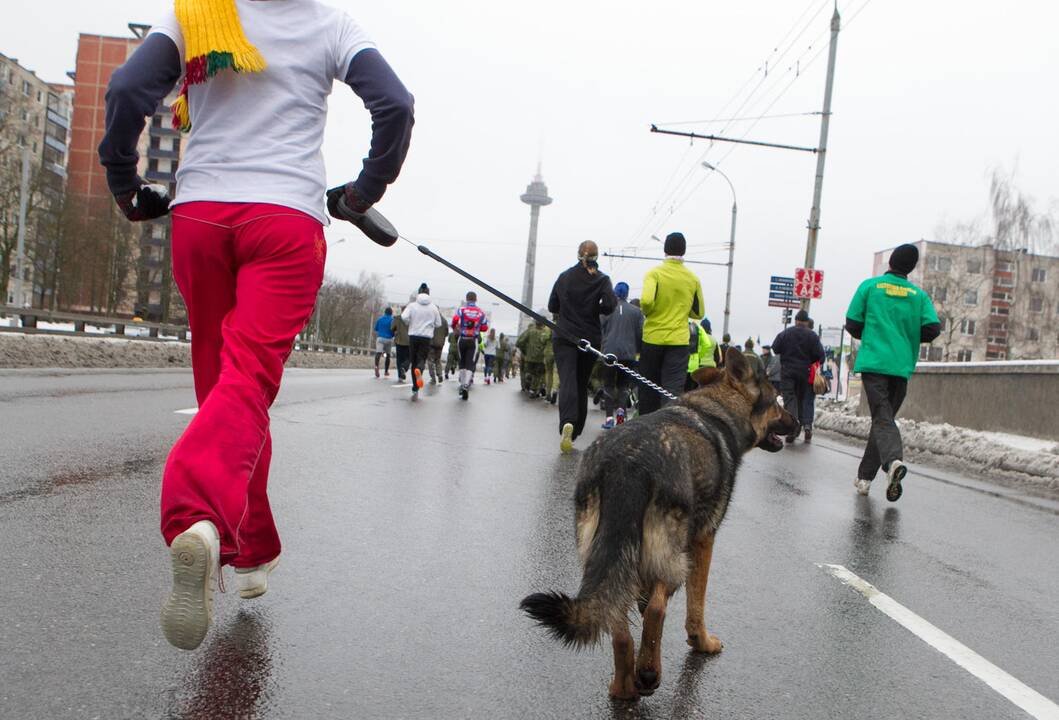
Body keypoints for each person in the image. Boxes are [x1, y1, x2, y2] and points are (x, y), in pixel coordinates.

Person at [99, 0, 413, 650]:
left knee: (227, 396)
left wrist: (125, 183)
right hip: (286, 222)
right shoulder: (332, 26)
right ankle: (196, 517)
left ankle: (250, 550)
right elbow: (394, 105)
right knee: (246, 385)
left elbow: (129, 88)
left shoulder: (198, 12)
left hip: (202, 216)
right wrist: (362, 193)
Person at [846, 244, 940, 501]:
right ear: (910, 268)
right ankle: (865, 478)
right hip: (901, 366)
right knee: (883, 419)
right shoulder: (918, 295)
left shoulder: (870, 287)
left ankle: (893, 462)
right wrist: (906, 335)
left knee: (882, 419)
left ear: (891, 262)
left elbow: (852, 323)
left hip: (875, 362)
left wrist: (874, 334)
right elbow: (933, 329)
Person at [548, 241, 617, 453]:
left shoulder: (565, 277)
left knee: (567, 379)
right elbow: (610, 306)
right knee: (580, 382)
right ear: (597, 257)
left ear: (578, 255)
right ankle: (576, 429)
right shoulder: (602, 279)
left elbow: (553, 306)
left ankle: (567, 422)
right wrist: (594, 305)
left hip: (565, 335)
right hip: (589, 339)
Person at [638, 232, 706, 415]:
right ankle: (668, 429)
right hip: (678, 342)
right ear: (684, 251)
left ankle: (646, 428)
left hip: (653, 338)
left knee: (648, 386)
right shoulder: (692, 279)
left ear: (665, 249)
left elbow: (645, 301)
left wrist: (650, 312)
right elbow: (699, 312)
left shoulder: (654, 274)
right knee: (672, 390)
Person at [772, 310, 825, 443]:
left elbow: (775, 348)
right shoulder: (812, 336)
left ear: (796, 320)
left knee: (790, 398)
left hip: (788, 373)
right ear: (806, 322)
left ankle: (792, 428)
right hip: (806, 373)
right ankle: (807, 426)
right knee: (807, 398)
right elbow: (821, 356)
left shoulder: (785, 333)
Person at [599, 281, 643, 428]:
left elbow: (600, 329)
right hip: (629, 353)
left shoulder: (606, 310)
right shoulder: (636, 312)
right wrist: (636, 349)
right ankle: (621, 413)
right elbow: (640, 334)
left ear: (614, 293)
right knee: (623, 385)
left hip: (609, 352)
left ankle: (609, 419)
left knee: (609, 385)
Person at [402, 283, 443, 396]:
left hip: (413, 336)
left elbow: (404, 317)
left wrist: (409, 322)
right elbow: (438, 323)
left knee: (413, 360)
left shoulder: (412, 305)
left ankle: (415, 387)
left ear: (419, 292)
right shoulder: (433, 307)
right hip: (426, 338)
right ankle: (420, 369)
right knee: (422, 359)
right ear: (429, 293)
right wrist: (430, 325)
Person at [452, 291, 489, 400]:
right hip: (473, 340)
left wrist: (455, 327)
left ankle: (462, 384)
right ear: (476, 299)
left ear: (467, 299)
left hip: (462, 339)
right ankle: (466, 386)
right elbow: (485, 327)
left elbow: (454, 320)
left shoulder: (462, 309)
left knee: (462, 362)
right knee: (470, 363)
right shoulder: (480, 312)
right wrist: (477, 329)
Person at [685, 318, 716, 391]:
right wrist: (700, 355)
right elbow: (707, 344)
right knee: (693, 390)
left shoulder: (682, 326)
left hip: (681, 361)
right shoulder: (698, 328)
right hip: (694, 363)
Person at [392, 300, 412, 382]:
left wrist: (396, 331)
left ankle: (400, 375)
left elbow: (392, 328)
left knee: (399, 359)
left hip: (399, 341)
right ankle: (404, 368)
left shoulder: (397, 318)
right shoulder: (412, 319)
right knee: (408, 358)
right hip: (409, 342)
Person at [373, 307, 395, 378]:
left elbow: (375, 328)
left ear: (385, 312)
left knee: (378, 353)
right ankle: (386, 371)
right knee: (387, 355)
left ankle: (376, 366)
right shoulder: (392, 320)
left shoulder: (380, 319)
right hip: (388, 340)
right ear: (391, 313)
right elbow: (394, 330)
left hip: (380, 339)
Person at [429, 314, 448, 383]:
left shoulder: (431, 319)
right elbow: (446, 333)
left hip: (431, 342)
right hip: (440, 343)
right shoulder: (444, 320)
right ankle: (440, 374)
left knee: (430, 360)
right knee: (438, 359)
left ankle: (433, 377)